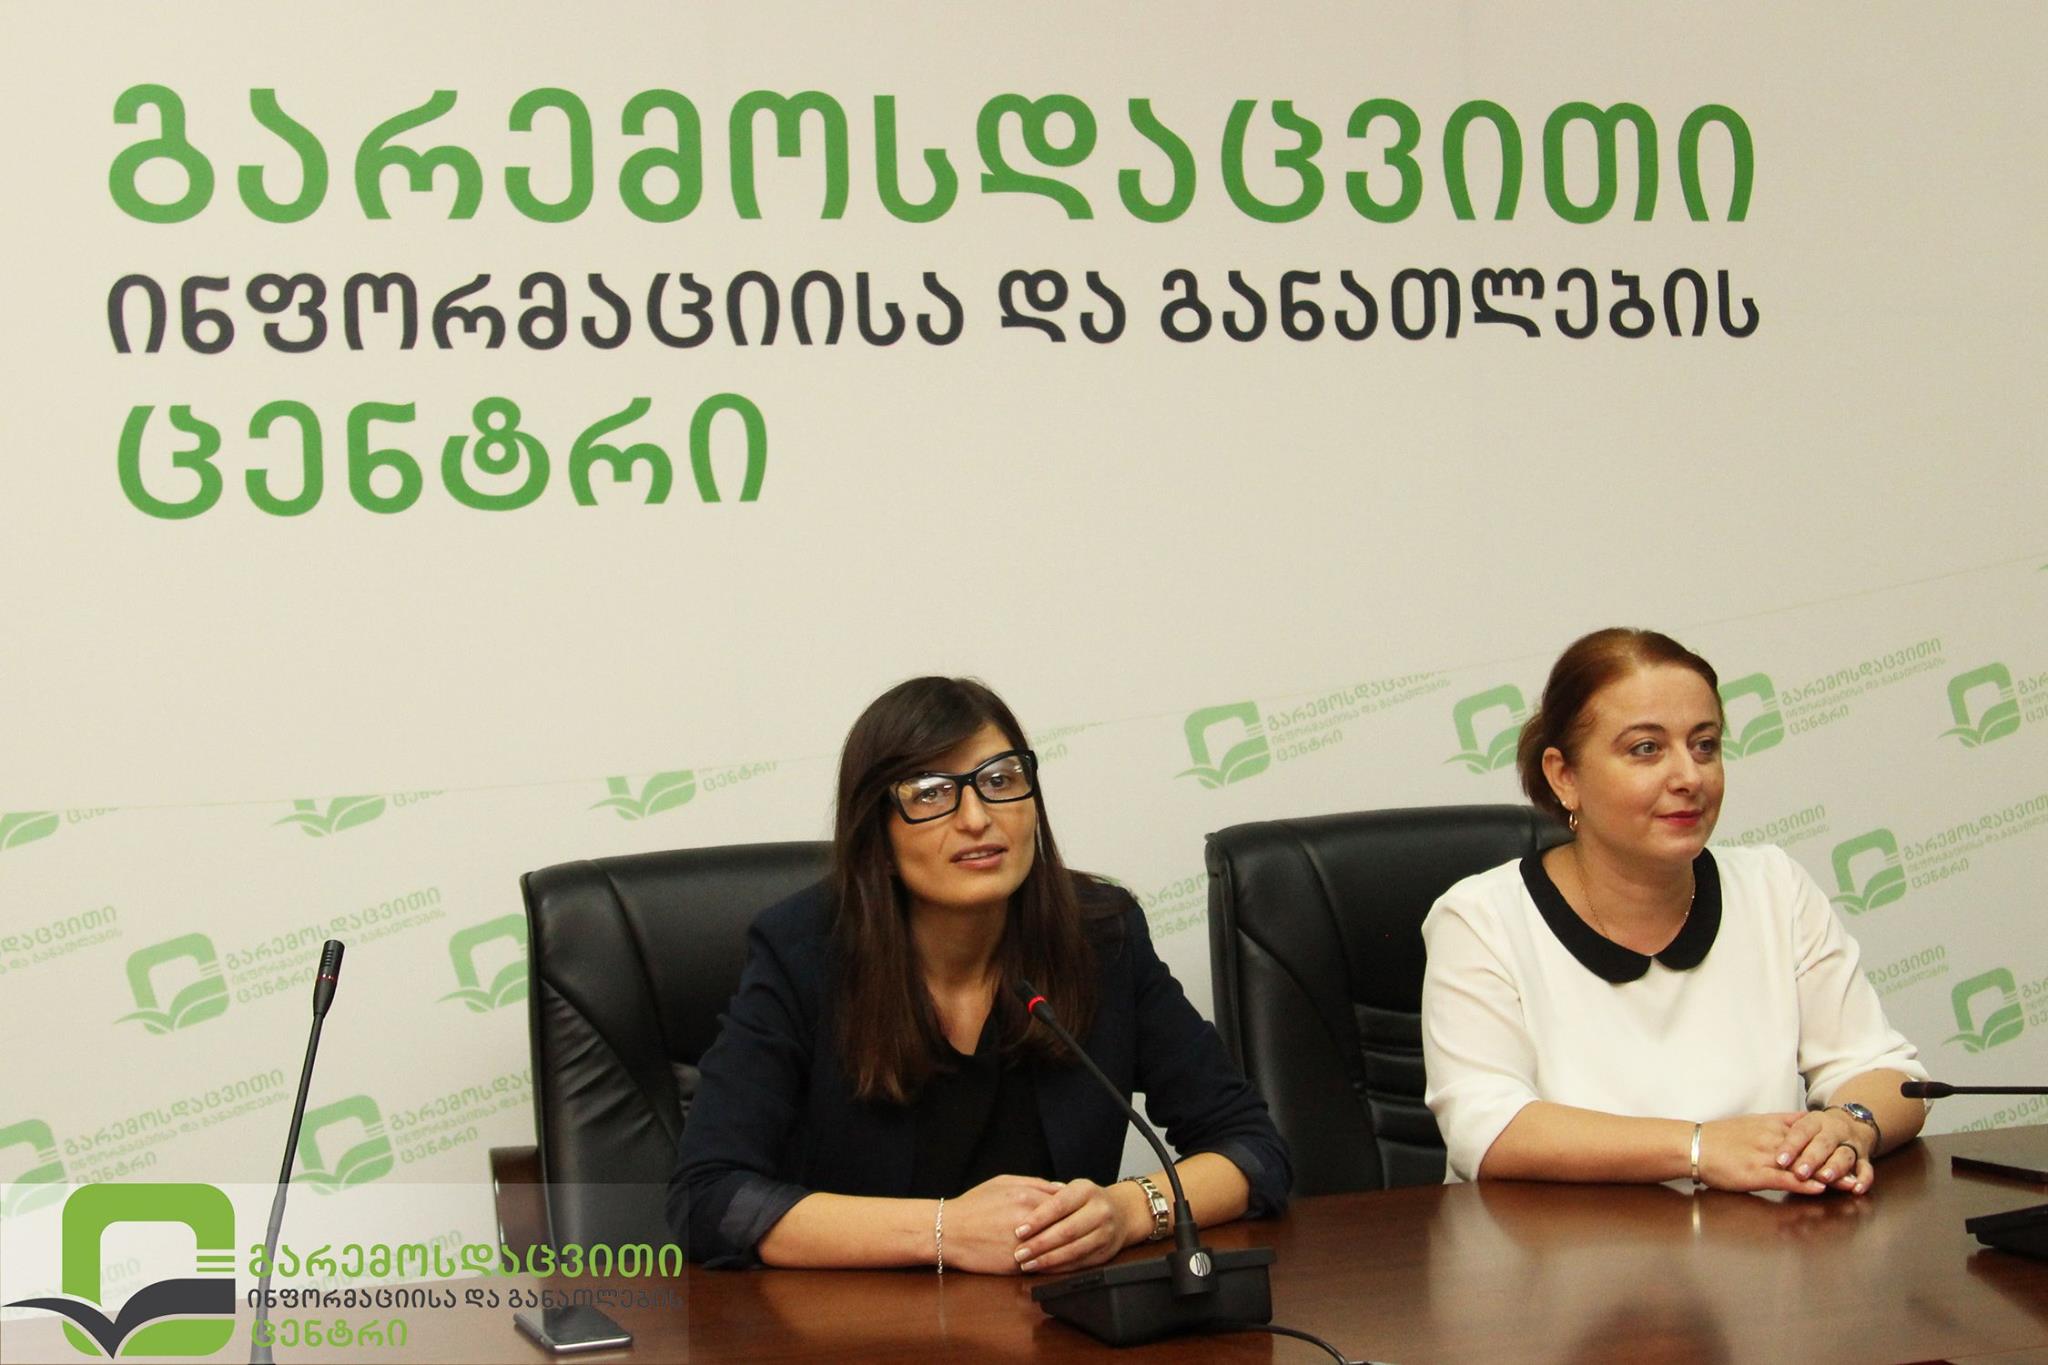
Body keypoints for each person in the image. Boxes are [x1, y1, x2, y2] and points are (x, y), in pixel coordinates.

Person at [670, 676, 1289, 1271]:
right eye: (930, 792)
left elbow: (1252, 1148)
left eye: (999, 780)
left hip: (1058, 1319)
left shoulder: (1100, 938)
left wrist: (1127, 1211)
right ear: (875, 836)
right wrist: (944, 1231)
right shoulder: (802, 953)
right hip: (854, 1324)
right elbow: (710, 1198)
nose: (976, 817)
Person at [1421, 628, 1928, 1194]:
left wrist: (1849, 1126)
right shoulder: (1481, 918)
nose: (1689, 777)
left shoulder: (1774, 886)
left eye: (1705, 745)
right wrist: (1698, 1148)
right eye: (1646, 749)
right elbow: (1487, 1128)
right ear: (1564, 776)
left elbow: (1888, 1073)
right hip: (1558, 1244)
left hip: (1765, 1237)